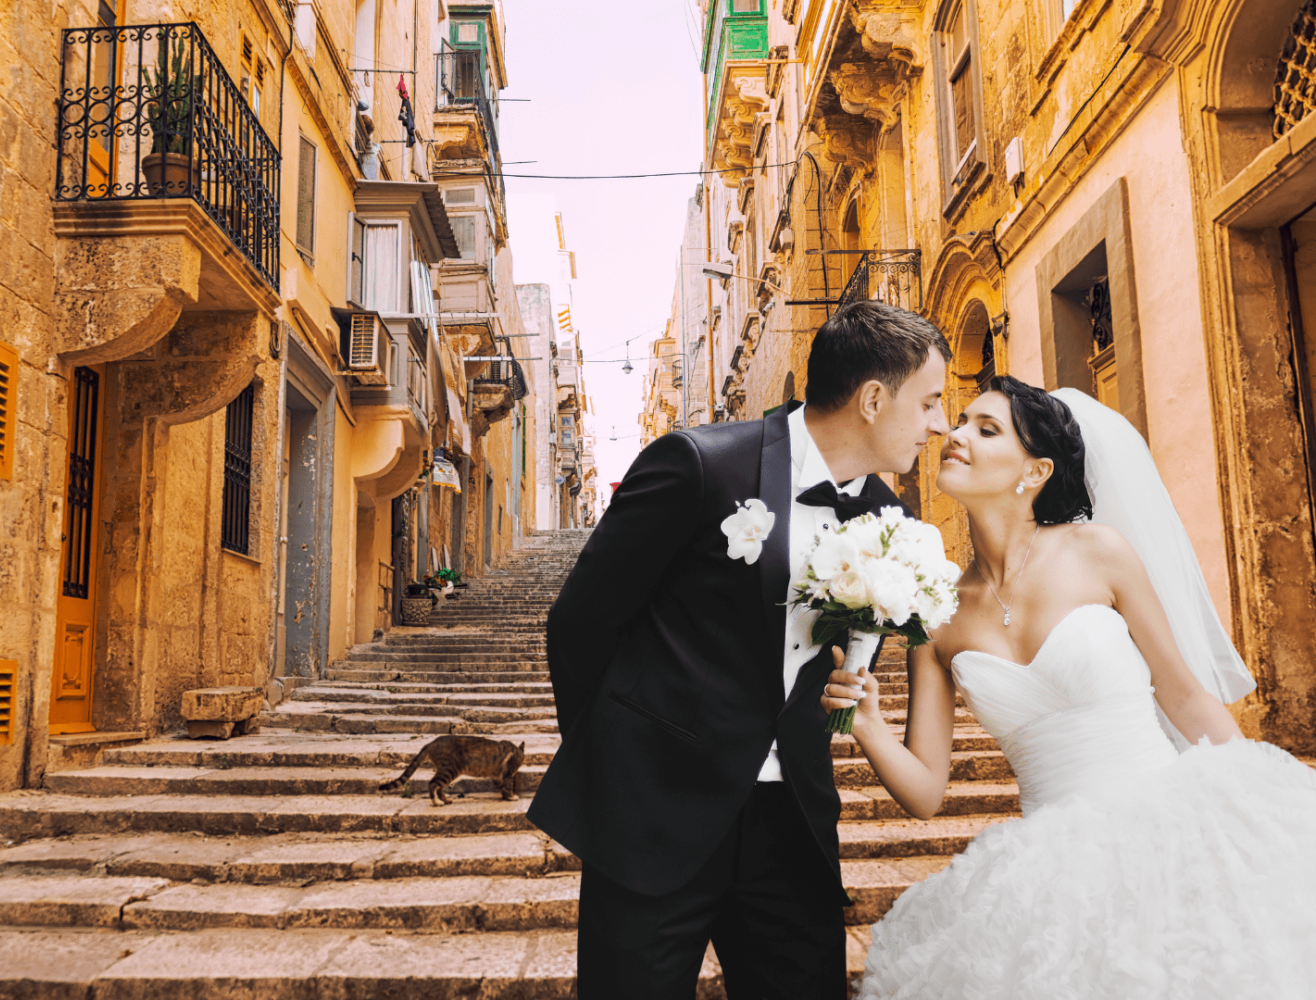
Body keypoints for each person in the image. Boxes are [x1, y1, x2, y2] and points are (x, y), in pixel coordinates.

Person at [824, 376, 1316, 998]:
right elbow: (925, 792)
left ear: (1035, 472)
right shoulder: (938, 613)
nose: (955, 434)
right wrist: (868, 725)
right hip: (1050, 875)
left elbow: (1183, 694)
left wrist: (1253, 806)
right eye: (961, 420)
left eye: (986, 429)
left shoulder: (1098, 551)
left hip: (1174, 829)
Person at [529, 301, 952, 999]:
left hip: (794, 828)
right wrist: (621, 773)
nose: (939, 424)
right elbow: (580, 624)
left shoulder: (893, 522)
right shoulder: (701, 465)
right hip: (654, 815)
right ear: (874, 400)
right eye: (930, 402)